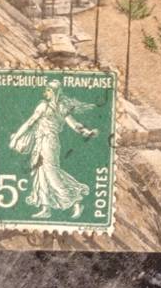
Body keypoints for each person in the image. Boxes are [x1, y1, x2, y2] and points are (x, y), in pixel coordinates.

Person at [9, 80, 98, 220]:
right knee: (41, 173)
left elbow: (72, 123)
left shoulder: (52, 107)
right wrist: (85, 132)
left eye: (49, 91)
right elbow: (30, 122)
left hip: (49, 143)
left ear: (55, 92)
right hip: (41, 142)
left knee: (51, 173)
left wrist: (85, 131)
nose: (46, 93)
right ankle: (45, 208)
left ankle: (75, 201)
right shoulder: (50, 106)